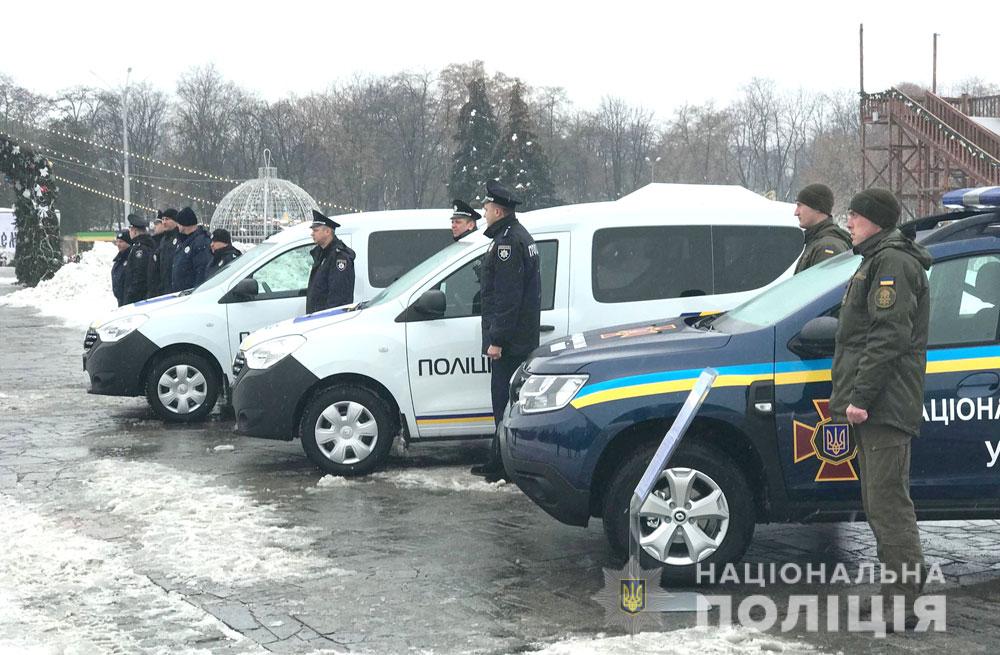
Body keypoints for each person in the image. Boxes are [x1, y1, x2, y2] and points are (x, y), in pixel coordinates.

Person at [831, 187, 932, 630]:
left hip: (884, 406)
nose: (848, 222)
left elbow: (888, 336)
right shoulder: (874, 259)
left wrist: (861, 397)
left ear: (874, 220)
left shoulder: (892, 263)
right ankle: (894, 593)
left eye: (854, 215)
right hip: (877, 405)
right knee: (878, 503)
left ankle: (905, 602)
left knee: (889, 505)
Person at [471, 180, 541, 481]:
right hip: (518, 339)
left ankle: (505, 466)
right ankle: (498, 458)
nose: (484, 213)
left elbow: (507, 297)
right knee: (507, 402)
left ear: (498, 211)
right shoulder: (515, 236)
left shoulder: (507, 244)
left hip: (510, 343)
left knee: (505, 402)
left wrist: (497, 339)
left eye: (487, 208)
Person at [306, 210, 356, 314]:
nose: (312, 234)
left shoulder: (339, 258)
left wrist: (326, 317)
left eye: (316, 230)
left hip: (328, 318)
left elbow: (338, 297)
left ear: (327, 232)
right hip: (318, 316)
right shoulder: (322, 253)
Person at [793, 183, 851, 274]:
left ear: (817, 207)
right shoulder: (816, 241)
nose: (796, 213)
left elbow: (826, 282)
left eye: (799, 205)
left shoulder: (827, 246)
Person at [170, 207, 212, 291]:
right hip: (181, 292)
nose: (177, 226)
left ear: (184, 224)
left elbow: (201, 271)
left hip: (191, 292)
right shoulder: (184, 240)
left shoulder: (200, 243)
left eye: (178, 223)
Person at [122, 214, 155, 304]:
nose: (129, 232)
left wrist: (130, 296)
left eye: (130, 229)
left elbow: (139, 275)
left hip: (138, 298)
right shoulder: (142, 245)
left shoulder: (140, 249)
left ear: (135, 231)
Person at [150, 208, 180, 296]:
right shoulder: (164, 240)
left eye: (167, 219)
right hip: (164, 288)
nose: (164, 222)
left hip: (175, 289)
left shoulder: (180, 237)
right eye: (163, 219)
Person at [111, 230, 131, 306]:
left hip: (129, 300)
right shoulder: (119, 259)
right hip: (121, 300)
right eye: (117, 241)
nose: (118, 244)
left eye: (121, 242)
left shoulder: (131, 257)